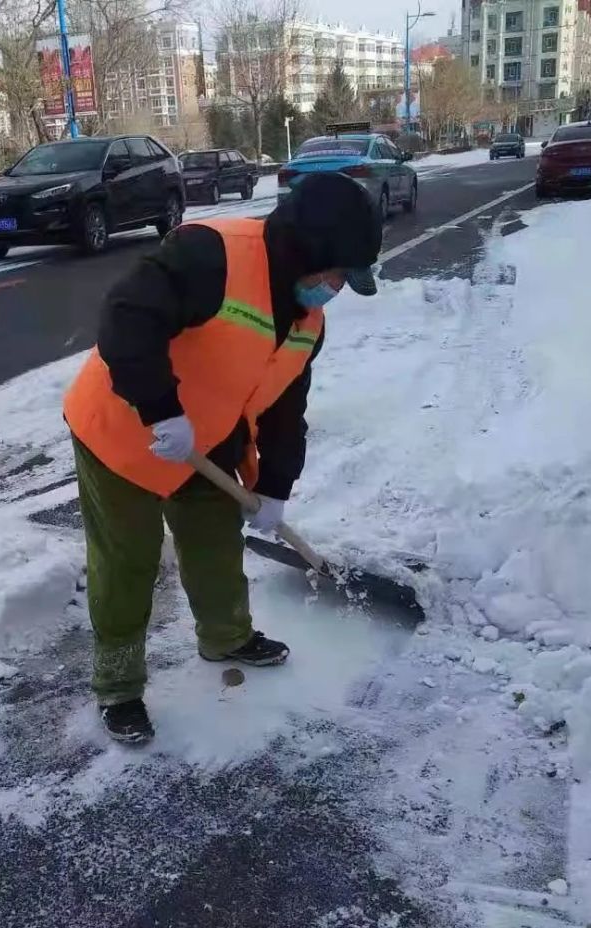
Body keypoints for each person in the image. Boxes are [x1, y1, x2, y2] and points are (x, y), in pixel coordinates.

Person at [63, 171, 383, 743]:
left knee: (215, 543)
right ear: (310, 250)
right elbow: (126, 316)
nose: (335, 290)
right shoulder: (211, 255)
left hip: (205, 444)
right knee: (128, 559)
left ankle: (226, 637)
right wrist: (162, 409)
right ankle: (118, 686)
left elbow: (285, 408)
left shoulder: (308, 323)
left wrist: (276, 487)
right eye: (337, 275)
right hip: (122, 428)